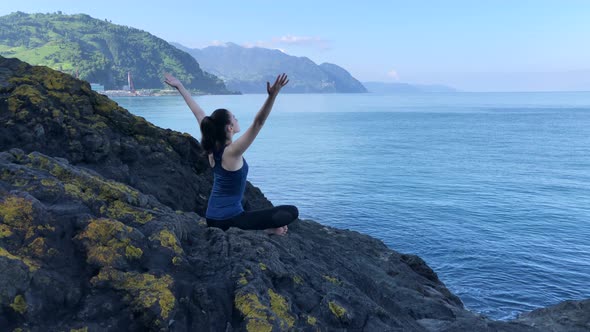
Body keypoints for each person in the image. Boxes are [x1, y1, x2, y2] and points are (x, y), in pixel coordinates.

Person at [164, 73, 298, 235]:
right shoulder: (231, 152)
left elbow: (199, 113)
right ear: (229, 127)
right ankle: (266, 231)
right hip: (227, 221)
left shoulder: (213, 144)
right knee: (291, 212)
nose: (237, 119)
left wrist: (180, 86)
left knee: (245, 203)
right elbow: (258, 123)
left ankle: (261, 228)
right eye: (234, 118)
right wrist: (272, 96)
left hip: (211, 217)